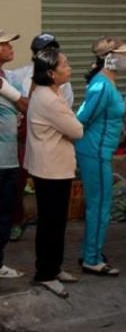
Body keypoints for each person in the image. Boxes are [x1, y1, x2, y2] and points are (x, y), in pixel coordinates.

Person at [25, 48, 84, 298]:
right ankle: (46, 273)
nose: (69, 68)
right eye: (65, 64)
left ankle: (54, 268)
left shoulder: (49, 92)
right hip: (50, 170)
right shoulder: (48, 99)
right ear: (51, 72)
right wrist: (70, 125)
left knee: (57, 223)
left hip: (54, 167)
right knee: (51, 223)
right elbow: (77, 130)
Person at [75, 36, 126, 276]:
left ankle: (91, 252)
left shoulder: (105, 83)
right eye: (121, 53)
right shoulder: (101, 85)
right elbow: (81, 119)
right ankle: (92, 257)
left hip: (99, 151)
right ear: (108, 58)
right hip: (95, 152)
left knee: (100, 205)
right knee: (100, 206)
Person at [0, 30, 27, 279]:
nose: (10, 48)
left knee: (6, 214)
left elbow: (25, 104)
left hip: (10, 158)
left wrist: (7, 90)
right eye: (4, 44)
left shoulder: (10, 77)